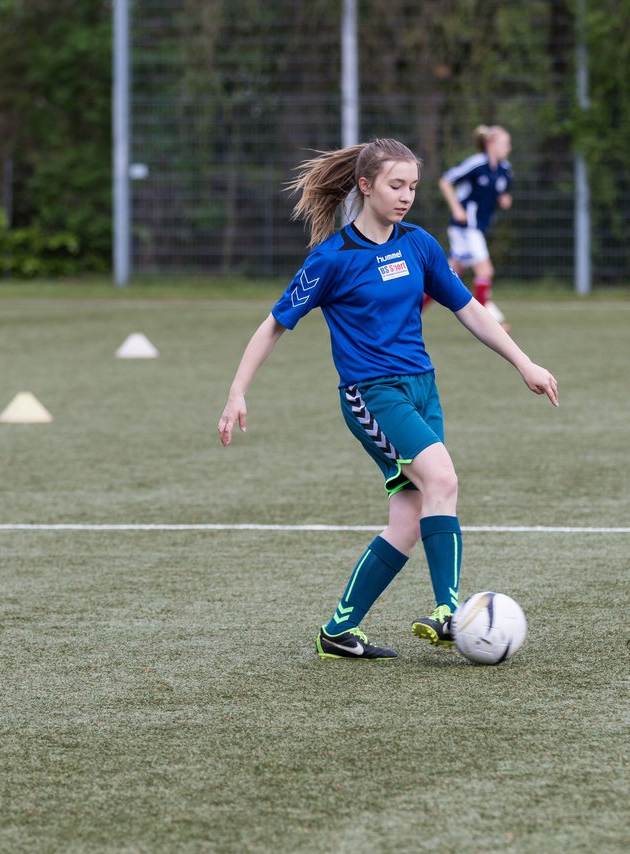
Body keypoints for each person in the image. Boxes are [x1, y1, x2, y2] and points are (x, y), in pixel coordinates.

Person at [217, 138, 558, 660]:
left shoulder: (418, 244)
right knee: (443, 478)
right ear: (365, 185)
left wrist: (524, 361)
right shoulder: (332, 258)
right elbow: (273, 325)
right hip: (372, 394)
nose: (406, 196)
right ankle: (448, 612)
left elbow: (469, 309)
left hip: (423, 388)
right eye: (396, 185)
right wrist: (237, 392)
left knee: (409, 517)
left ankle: (339, 630)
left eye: (414, 187)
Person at [436, 124, 514, 329]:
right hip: (466, 227)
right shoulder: (476, 164)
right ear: (490, 144)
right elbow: (445, 181)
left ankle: (410, 310)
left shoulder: (504, 170)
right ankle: (484, 324)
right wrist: (456, 209)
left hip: (476, 228)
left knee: (446, 275)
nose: (509, 148)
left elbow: (499, 190)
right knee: (485, 271)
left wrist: (503, 198)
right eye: (505, 143)